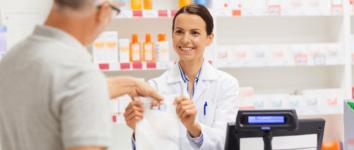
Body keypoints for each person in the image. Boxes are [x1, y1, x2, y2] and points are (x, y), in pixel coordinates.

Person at [0, 0, 162, 150]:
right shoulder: (82, 75)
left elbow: (52, 92)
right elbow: (75, 86)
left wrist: (130, 84)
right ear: (104, 11)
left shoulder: (12, 59)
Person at [124, 3, 240, 150]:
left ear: (209, 38)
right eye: (179, 32)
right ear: (172, 35)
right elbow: (149, 144)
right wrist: (137, 130)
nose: (185, 40)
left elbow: (224, 141)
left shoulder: (226, 84)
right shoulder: (155, 87)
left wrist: (193, 127)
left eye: (195, 33)